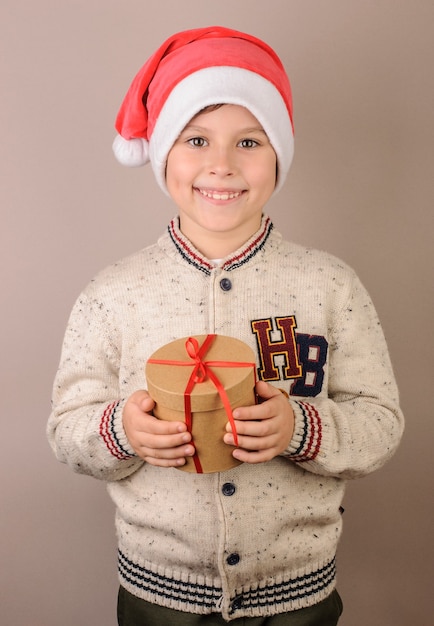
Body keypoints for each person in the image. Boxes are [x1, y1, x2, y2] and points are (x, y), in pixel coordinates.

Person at [47, 26, 404, 625]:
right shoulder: (112, 294)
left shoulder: (330, 285)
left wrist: (300, 426)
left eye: (248, 142)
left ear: (278, 154)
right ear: (162, 153)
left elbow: (381, 422)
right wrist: (123, 430)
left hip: (298, 599)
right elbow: (66, 429)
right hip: (157, 596)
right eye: (196, 139)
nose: (220, 164)